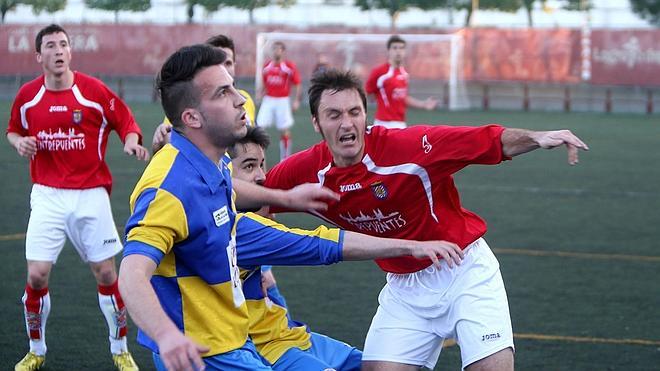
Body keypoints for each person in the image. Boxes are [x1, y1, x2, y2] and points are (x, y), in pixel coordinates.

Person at [118, 44, 464, 371]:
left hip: (234, 343)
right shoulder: (167, 187)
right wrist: (166, 336)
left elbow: (309, 238)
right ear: (192, 117)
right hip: (205, 355)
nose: (241, 99)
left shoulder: (211, 164)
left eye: (233, 87)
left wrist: (284, 198)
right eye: (223, 93)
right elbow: (131, 273)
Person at [263, 69, 590, 371]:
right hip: (404, 290)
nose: (346, 123)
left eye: (354, 112)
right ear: (317, 123)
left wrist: (536, 137)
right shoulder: (303, 171)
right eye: (334, 115)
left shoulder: (407, 146)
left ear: (366, 116)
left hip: (464, 272)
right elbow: (254, 204)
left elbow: (481, 140)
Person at [6, 24, 148, 371]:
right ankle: (36, 350)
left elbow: (125, 121)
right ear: (39, 56)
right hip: (47, 195)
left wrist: (131, 141)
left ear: (70, 52)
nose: (58, 50)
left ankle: (120, 349)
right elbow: (13, 129)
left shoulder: (92, 91)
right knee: (37, 275)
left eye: (64, 45)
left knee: (106, 274)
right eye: (51, 46)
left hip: (90, 195)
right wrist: (19, 143)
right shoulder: (28, 96)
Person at [150, 33, 290, 310]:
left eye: (229, 61)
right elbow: (169, 151)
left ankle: (277, 324)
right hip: (211, 209)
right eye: (218, 61)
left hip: (238, 201)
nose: (225, 67)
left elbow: (252, 153)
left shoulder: (245, 101)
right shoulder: (188, 109)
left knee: (265, 288)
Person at [228, 125, 362, 371]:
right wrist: (411, 247)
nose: (261, 175)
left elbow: (267, 281)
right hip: (265, 348)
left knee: (377, 365)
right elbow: (320, 245)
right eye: (249, 166)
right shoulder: (236, 228)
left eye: (261, 165)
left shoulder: (256, 213)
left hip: (291, 335)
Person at [151, 34, 256, 153]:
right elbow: (170, 139)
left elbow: (256, 144)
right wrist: (161, 143)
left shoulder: (246, 98)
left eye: (228, 63)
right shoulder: (186, 107)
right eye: (222, 93)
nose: (241, 100)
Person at [365, 35, 438, 129]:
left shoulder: (404, 74)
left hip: (401, 124)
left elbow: (403, 98)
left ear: (405, 51)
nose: (398, 51)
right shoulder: (380, 72)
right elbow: (366, 94)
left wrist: (423, 104)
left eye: (401, 48)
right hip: (383, 124)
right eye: (395, 48)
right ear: (389, 51)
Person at [256, 41, 302, 161]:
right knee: (259, 127)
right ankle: (259, 156)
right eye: (274, 49)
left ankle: (285, 158)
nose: (276, 51)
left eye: (278, 49)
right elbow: (265, 83)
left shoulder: (288, 67)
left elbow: (297, 83)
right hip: (269, 99)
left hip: (283, 100)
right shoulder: (267, 66)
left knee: (284, 129)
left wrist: (296, 100)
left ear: (283, 51)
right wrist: (260, 93)